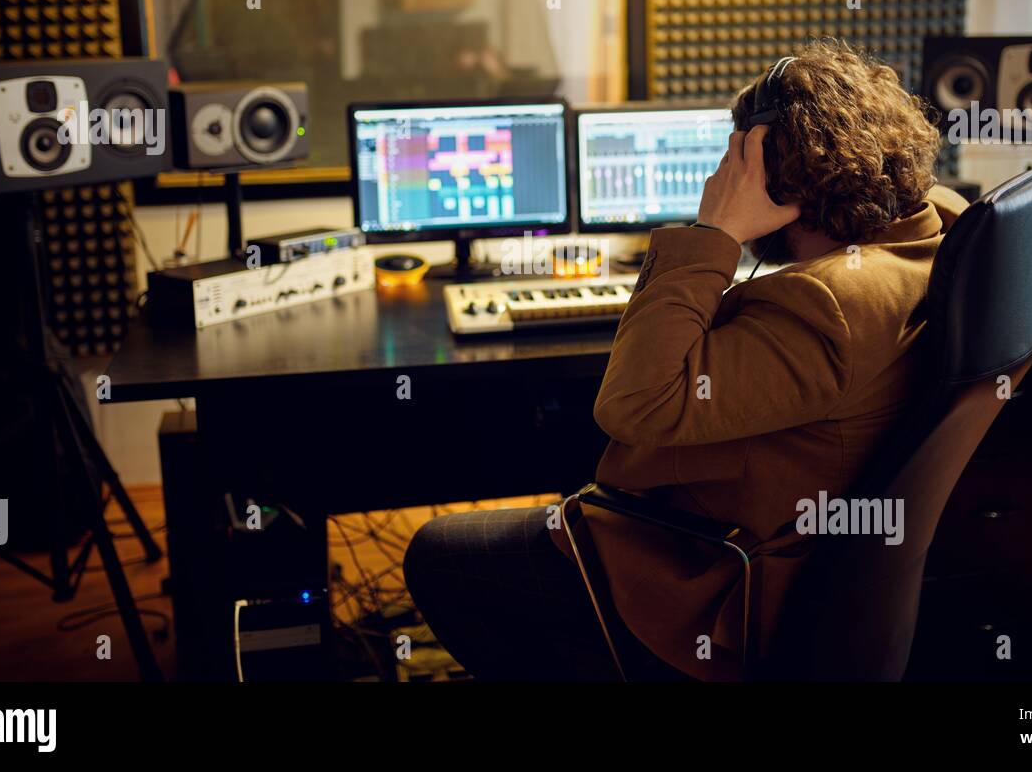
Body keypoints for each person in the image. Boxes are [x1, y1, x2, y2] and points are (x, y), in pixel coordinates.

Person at [404, 39, 968, 681]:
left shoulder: (826, 301)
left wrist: (714, 233)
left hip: (715, 576)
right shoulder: (938, 241)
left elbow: (632, 404)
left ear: (776, 179)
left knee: (438, 552)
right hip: (799, 545)